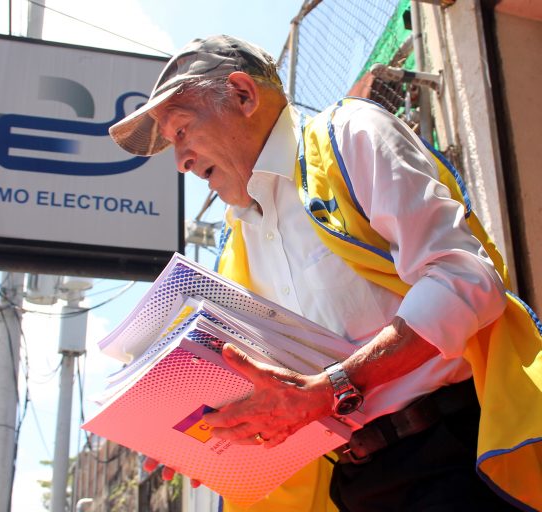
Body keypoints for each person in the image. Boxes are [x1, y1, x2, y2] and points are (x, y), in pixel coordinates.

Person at [108, 35, 542, 511]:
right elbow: (276, 392)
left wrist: (334, 386)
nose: (181, 162)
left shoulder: (351, 135)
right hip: (352, 485)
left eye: (182, 130)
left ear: (243, 95)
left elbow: (466, 279)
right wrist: (208, 430)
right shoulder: (237, 246)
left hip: (458, 455)